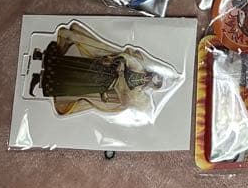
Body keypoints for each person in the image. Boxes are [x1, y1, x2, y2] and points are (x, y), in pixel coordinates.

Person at [28, 21, 171, 117]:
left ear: (152, 86)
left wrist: (122, 85)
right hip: (103, 69)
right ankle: (41, 56)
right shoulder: (139, 68)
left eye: (153, 81)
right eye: (152, 76)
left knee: (73, 81)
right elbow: (126, 58)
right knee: (74, 65)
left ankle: (40, 79)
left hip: (102, 84)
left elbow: (126, 101)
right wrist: (121, 64)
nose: (149, 79)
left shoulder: (138, 92)